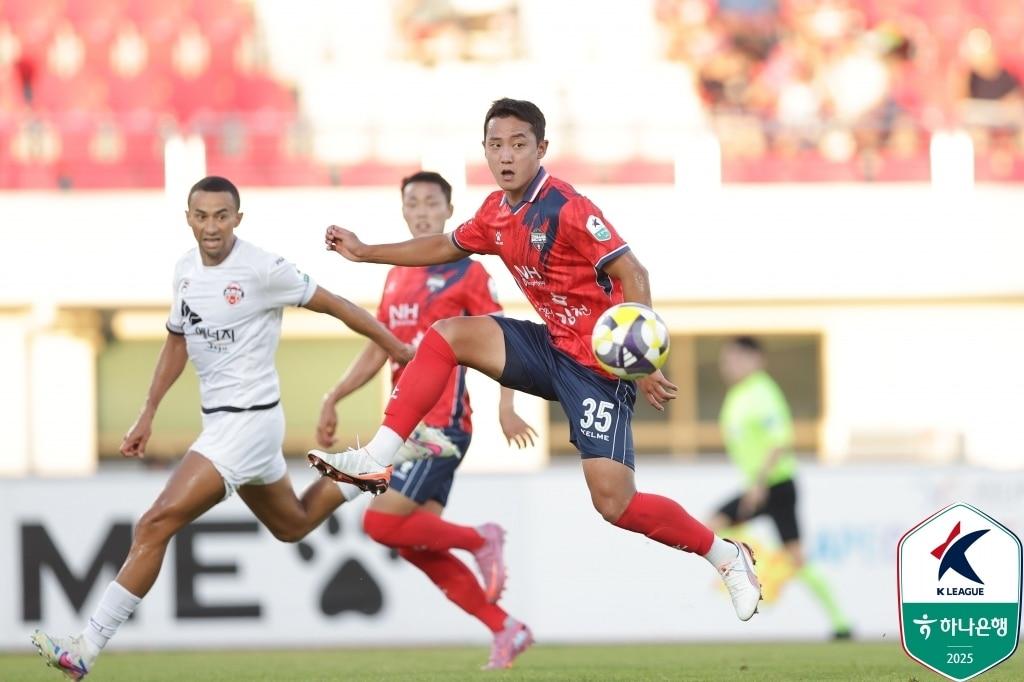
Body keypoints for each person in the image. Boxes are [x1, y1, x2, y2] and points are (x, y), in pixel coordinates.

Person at [309, 98, 763, 643]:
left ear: (541, 149)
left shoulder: (568, 206)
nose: (506, 156)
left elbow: (632, 272)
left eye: (518, 144)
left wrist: (639, 360)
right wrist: (364, 252)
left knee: (614, 503)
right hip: (549, 346)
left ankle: (726, 555)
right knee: (446, 335)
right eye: (496, 145)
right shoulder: (496, 215)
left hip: (599, 367)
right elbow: (443, 245)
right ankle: (376, 458)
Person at [30, 176, 440, 681]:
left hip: (246, 425)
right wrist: (147, 412)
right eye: (201, 216)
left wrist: (398, 349)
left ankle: (85, 648)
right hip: (230, 424)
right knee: (292, 525)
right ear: (188, 218)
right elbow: (177, 342)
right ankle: (376, 463)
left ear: (237, 219)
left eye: (221, 216)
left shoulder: (262, 268)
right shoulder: (184, 271)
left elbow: (338, 305)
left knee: (154, 524)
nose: (211, 227)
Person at [314, 170, 538, 669]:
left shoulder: (467, 271)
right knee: (415, 544)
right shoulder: (397, 273)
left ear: (447, 211)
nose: (420, 210)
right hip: (403, 430)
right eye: (411, 202)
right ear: (403, 211)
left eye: (430, 202)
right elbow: (382, 349)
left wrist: (507, 405)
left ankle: (481, 538)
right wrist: (335, 396)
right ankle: (506, 628)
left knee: (378, 522)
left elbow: (503, 340)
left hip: (441, 425)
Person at [709, 336, 851, 639]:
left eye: (735, 359)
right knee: (792, 556)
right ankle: (838, 621)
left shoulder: (762, 392)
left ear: (755, 360)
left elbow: (780, 441)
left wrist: (759, 484)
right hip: (761, 485)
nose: (728, 366)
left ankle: (836, 620)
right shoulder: (739, 395)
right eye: (726, 360)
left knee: (716, 525)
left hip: (775, 484)